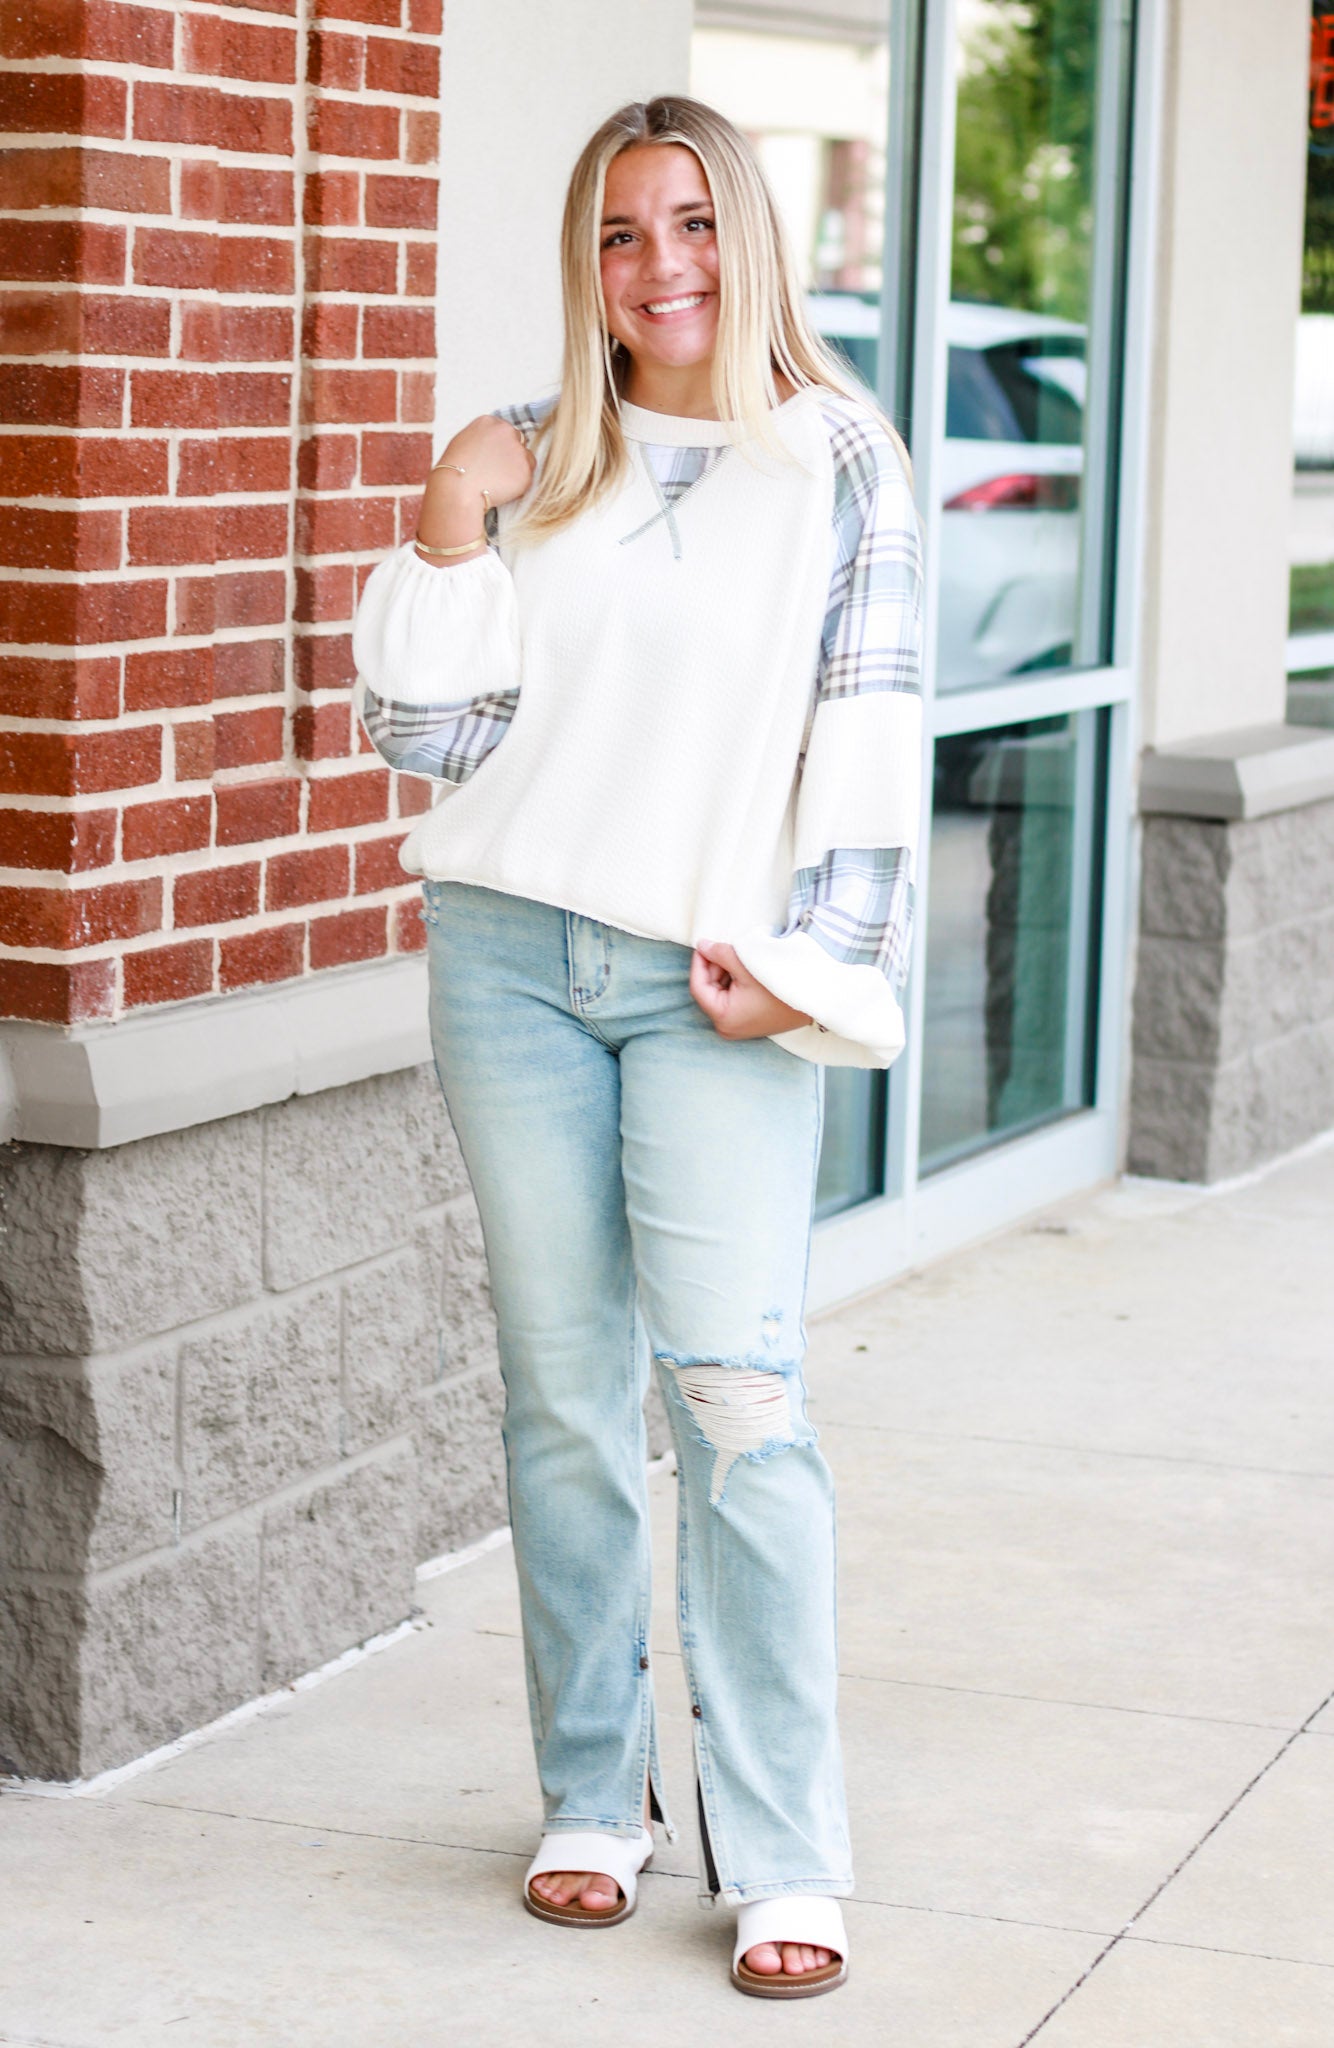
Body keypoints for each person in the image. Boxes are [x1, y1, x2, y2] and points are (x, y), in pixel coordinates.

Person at [353, 94, 923, 2000]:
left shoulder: (836, 458)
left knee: (738, 1401)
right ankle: (594, 1795)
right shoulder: (537, 454)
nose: (660, 266)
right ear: (584, 261)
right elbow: (429, 745)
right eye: (619, 232)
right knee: (564, 1400)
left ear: (745, 234)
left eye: (690, 222)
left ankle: (784, 1848)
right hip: (508, 963)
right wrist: (450, 509)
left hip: (717, 980)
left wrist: (815, 969)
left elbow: (870, 736)